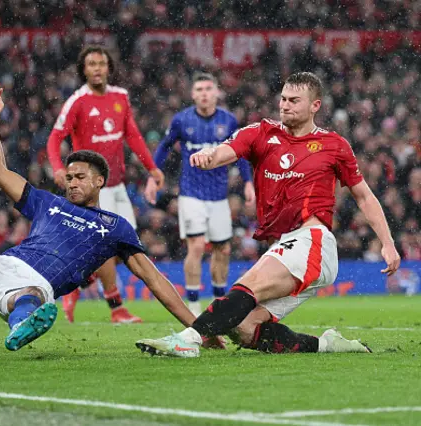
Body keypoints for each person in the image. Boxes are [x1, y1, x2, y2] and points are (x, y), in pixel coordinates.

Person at [0, 82, 200, 353]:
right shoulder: (45, 201)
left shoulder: (114, 225)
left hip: (38, 282)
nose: (72, 182)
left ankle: (21, 324)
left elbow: (154, 279)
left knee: (28, 297)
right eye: (69, 177)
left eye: (80, 177)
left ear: (99, 182)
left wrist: (199, 328)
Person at [136, 72, 401, 358]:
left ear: (315, 105)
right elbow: (227, 150)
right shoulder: (261, 132)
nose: (285, 105)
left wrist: (387, 242)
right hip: (286, 244)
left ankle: (189, 340)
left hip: (313, 241)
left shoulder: (334, 145)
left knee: (248, 286)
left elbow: (364, 195)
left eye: (294, 101)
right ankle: (327, 344)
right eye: (283, 99)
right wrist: (209, 156)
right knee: (244, 327)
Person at [47, 45, 165, 324]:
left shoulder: (120, 97)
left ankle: (79, 283)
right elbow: (54, 138)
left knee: (127, 247)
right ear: (83, 70)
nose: (97, 68)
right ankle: (116, 308)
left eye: (101, 63)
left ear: (109, 67)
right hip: (93, 189)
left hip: (117, 185)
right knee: (111, 244)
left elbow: (133, 136)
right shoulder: (77, 101)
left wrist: (152, 167)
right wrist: (57, 168)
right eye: (91, 64)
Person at [144, 72, 255, 316]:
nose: (204, 93)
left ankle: (218, 303)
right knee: (195, 247)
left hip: (218, 197)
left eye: (208, 89)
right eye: (199, 89)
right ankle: (193, 305)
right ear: (193, 94)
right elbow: (163, 147)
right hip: (191, 195)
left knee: (223, 250)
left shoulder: (228, 121)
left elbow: (240, 153)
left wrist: (248, 182)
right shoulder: (182, 120)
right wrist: (154, 177)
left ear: (216, 93)